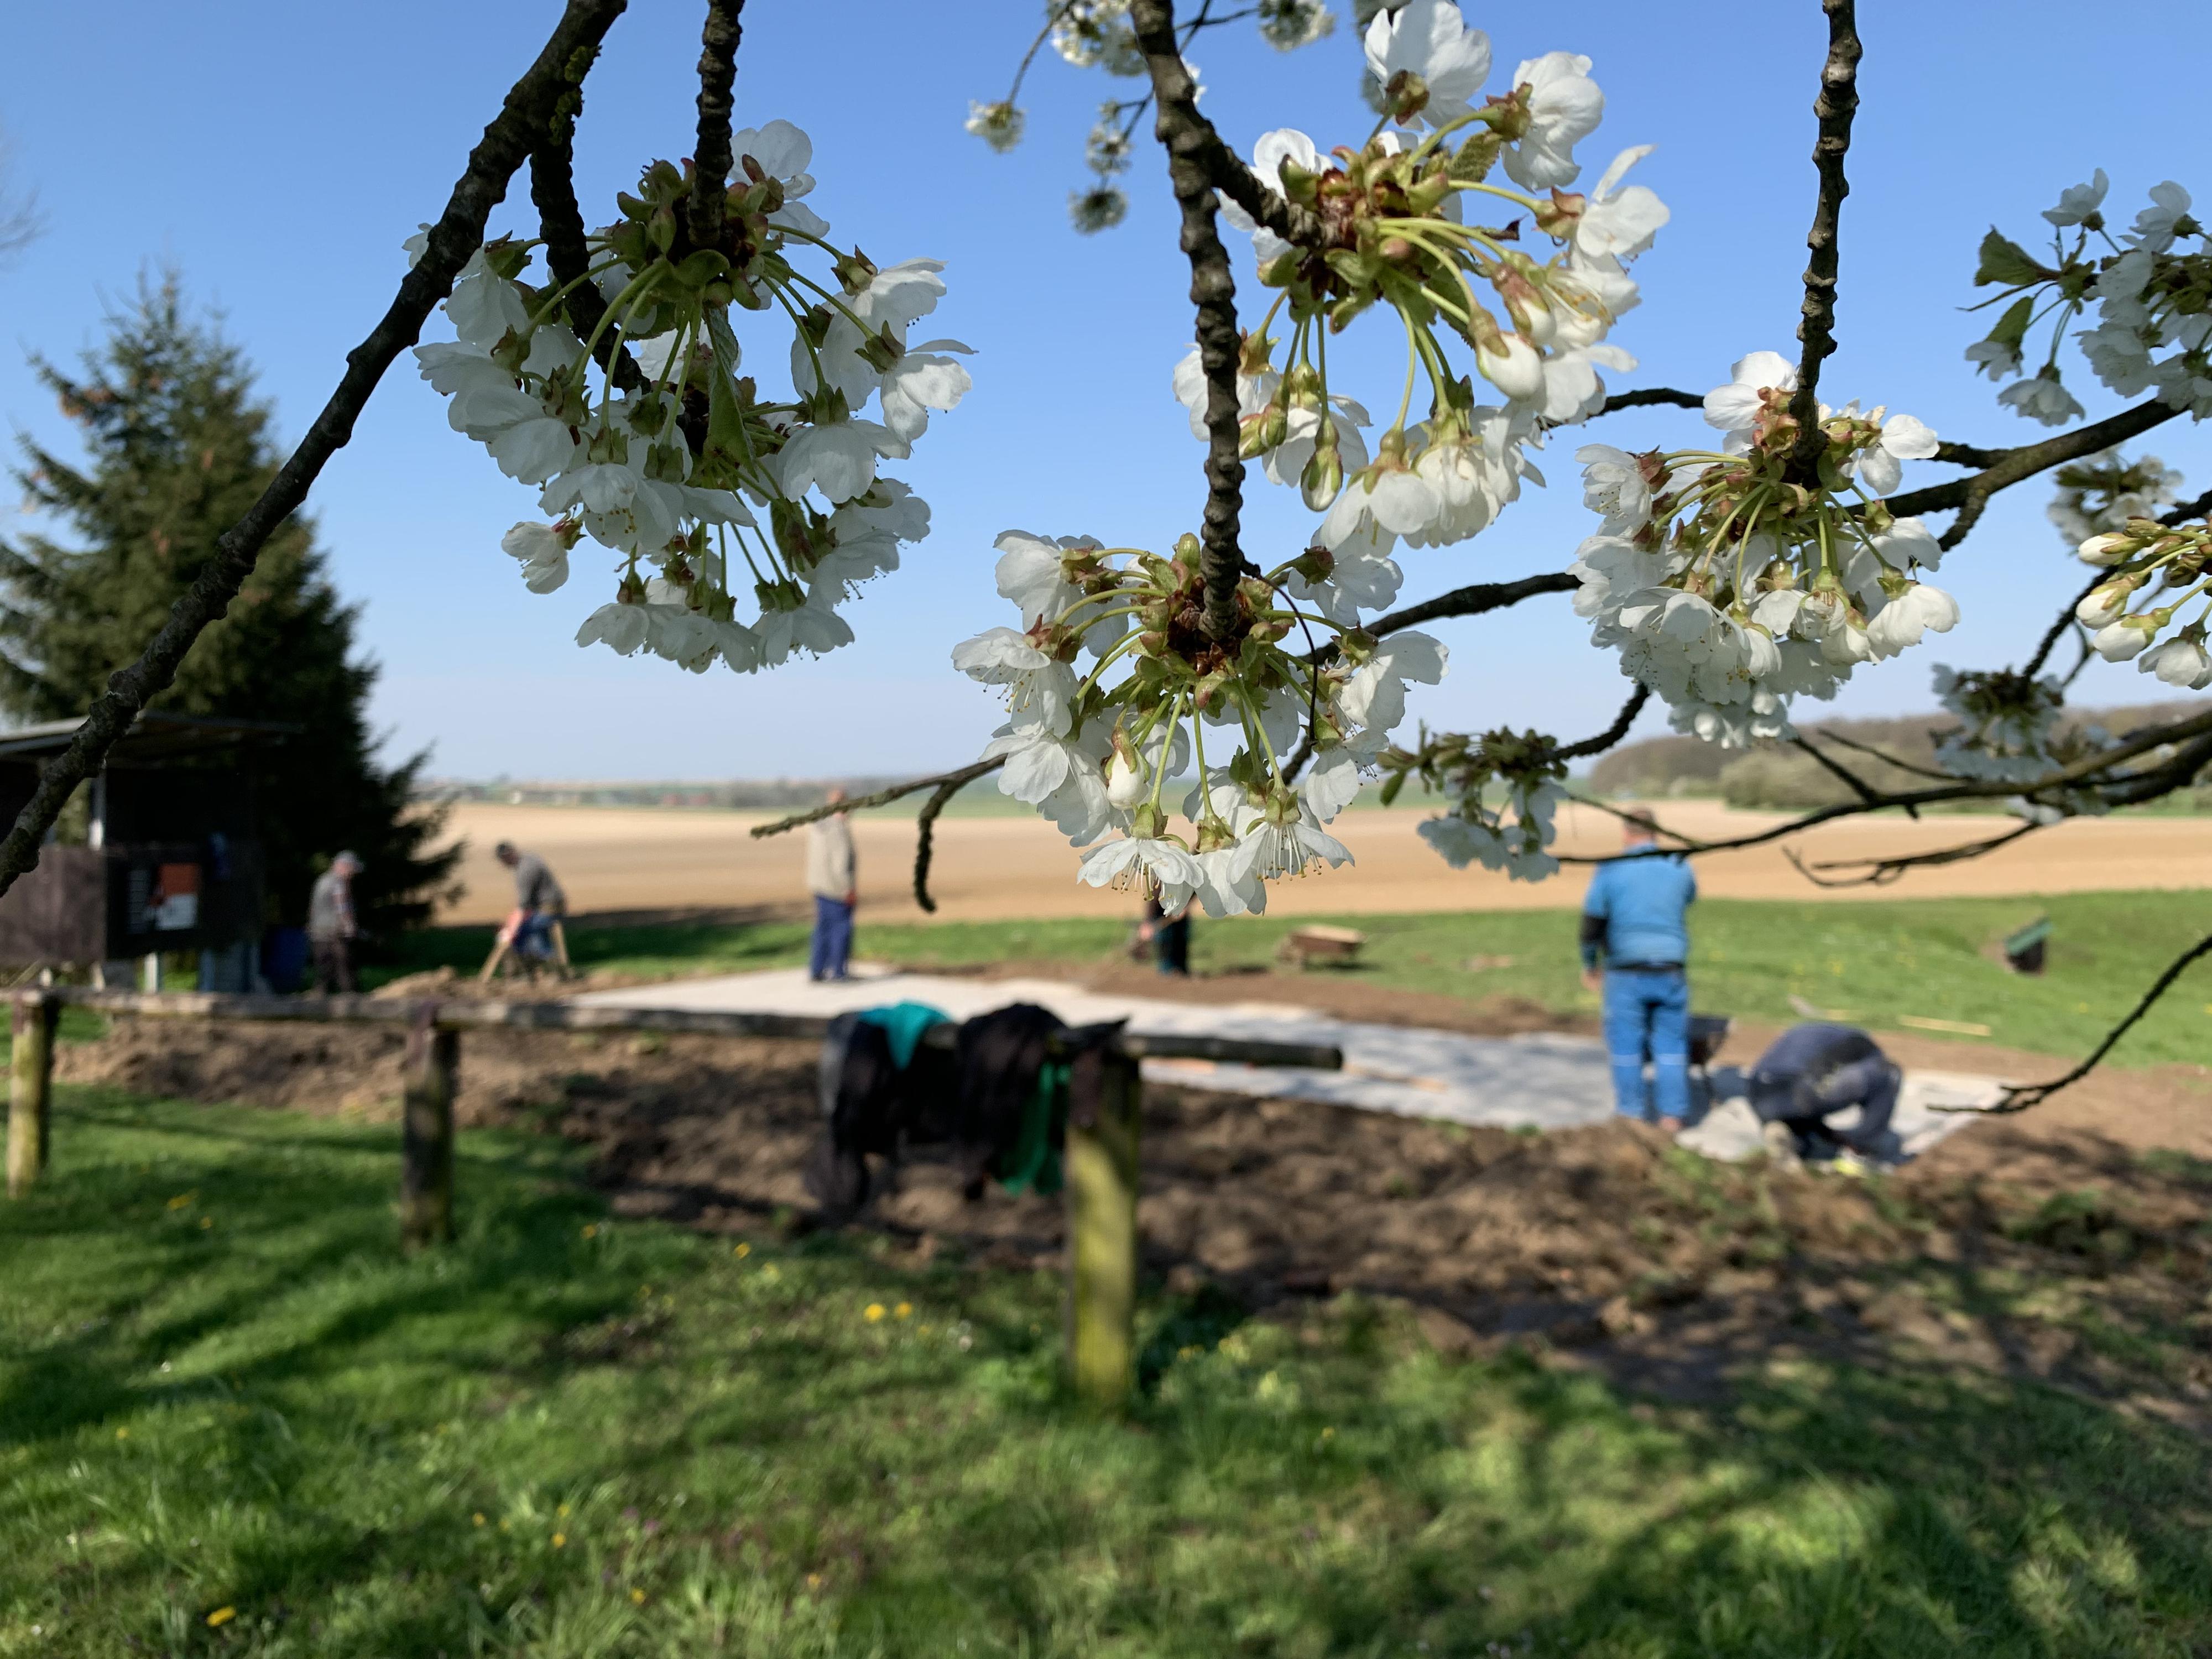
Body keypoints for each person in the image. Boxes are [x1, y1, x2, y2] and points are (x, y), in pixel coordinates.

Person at [1579, 811, 1697, 1133]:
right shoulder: (1679, 865)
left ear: (1625, 832)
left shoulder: (1612, 868)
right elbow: (1688, 898)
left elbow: (1592, 922)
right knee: (1672, 1044)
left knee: (1626, 1045)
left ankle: (1630, 1118)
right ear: (1657, 832)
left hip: (1625, 971)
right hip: (1671, 968)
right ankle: (1672, 1119)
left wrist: (1590, 964)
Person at [1747, 1023, 1904, 1172]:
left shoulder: (1816, 1034)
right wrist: (1858, 1137)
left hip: (1758, 1096)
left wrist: (1825, 1132)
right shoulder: (1865, 1046)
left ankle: (1789, 1131)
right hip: (1801, 1093)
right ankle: (1859, 1152)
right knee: (1888, 1072)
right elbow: (1818, 1076)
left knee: (1803, 1121)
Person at [806, 788, 857, 982]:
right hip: (836, 889)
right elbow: (841, 862)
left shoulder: (819, 825)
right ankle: (838, 971)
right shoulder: (838, 829)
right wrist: (848, 889)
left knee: (823, 929)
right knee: (840, 930)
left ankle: (817, 970)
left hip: (819, 885)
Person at [493, 841, 567, 973]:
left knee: (527, 931)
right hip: (547, 906)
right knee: (528, 929)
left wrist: (513, 929)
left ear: (507, 857)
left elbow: (523, 904)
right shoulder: (530, 860)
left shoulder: (525, 870)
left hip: (549, 908)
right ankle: (537, 966)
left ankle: (545, 966)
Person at [305, 850, 363, 993]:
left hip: (318, 932)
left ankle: (320, 1000)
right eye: (352, 869)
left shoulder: (322, 881)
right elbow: (342, 906)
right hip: (335, 933)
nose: (353, 874)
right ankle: (350, 1000)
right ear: (343, 866)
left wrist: (311, 925)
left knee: (324, 970)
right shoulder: (339, 883)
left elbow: (313, 908)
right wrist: (349, 926)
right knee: (345, 967)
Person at [1137, 895, 1191, 976]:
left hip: (1178, 909)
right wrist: (1147, 922)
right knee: (1165, 940)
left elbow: (1195, 892)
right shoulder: (1160, 886)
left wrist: (1184, 906)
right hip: (1161, 913)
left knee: (1181, 939)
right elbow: (1153, 896)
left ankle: (1181, 970)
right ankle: (1167, 970)